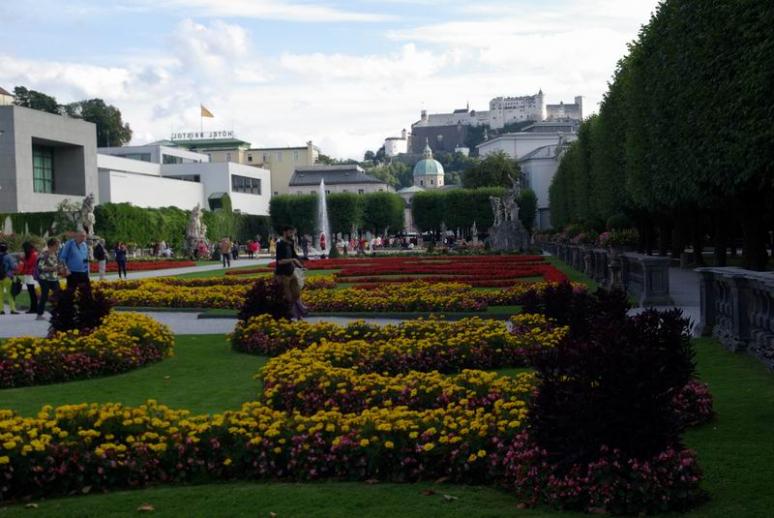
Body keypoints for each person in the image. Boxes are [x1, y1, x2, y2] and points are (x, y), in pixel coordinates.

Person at [275, 225, 306, 319]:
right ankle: (294, 315)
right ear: (284, 232)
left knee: (297, 293)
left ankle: (297, 312)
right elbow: (280, 261)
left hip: (291, 272)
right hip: (283, 274)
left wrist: (302, 261)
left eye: (292, 232)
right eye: (290, 232)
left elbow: (294, 255)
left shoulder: (290, 243)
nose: (292, 234)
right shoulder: (280, 245)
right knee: (289, 298)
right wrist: (292, 260)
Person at [36, 238, 62, 321]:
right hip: (44, 278)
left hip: (54, 278)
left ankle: (58, 313)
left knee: (58, 295)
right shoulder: (44, 255)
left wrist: (60, 268)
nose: (58, 247)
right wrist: (52, 268)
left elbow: (58, 264)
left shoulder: (56, 254)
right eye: (57, 245)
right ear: (51, 246)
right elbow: (40, 267)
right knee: (44, 295)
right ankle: (39, 314)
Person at [0, 242, 20, 315]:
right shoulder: (8, 257)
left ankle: (1, 310)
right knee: (10, 294)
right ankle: (12, 309)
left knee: (0, 295)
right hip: (7, 277)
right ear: (6, 249)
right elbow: (14, 267)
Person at [21, 241, 39, 314]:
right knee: (31, 292)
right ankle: (33, 308)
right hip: (28, 274)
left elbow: (29, 264)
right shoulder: (31, 253)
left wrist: (23, 259)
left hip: (30, 274)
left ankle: (34, 308)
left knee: (32, 292)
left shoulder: (32, 254)